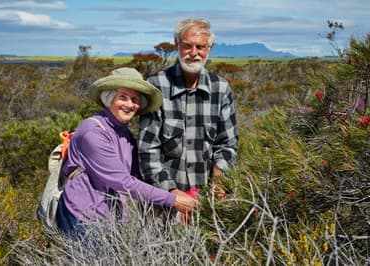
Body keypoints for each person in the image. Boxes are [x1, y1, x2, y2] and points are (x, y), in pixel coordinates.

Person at [56, 67, 199, 236]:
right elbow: (124, 182)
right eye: (122, 97)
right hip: (82, 218)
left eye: (134, 99)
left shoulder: (125, 134)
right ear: (109, 99)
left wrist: (173, 191)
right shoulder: (93, 133)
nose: (129, 105)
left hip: (108, 221)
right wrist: (173, 201)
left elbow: (138, 177)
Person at [138, 18, 238, 209]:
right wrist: (172, 194)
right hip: (163, 204)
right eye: (187, 46)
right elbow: (148, 149)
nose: (194, 53)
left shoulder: (221, 89)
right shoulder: (156, 86)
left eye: (200, 47)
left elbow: (228, 144)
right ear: (177, 45)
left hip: (208, 202)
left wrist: (218, 182)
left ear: (210, 48)